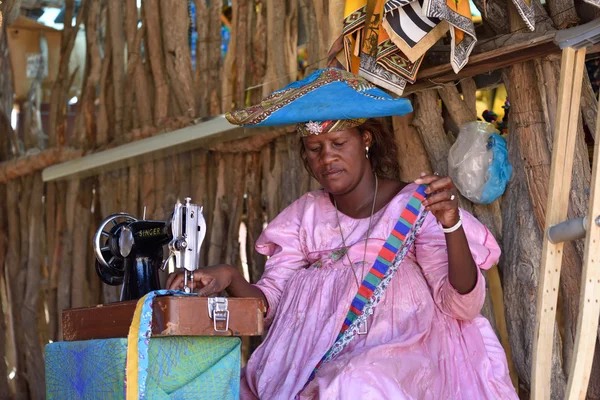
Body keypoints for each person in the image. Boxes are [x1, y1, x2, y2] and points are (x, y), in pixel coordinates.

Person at [166, 68, 518, 399]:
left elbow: (462, 304)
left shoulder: (415, 206)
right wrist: (228, 276)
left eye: (338, 144)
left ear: (365, 139)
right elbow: (266, 307)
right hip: (308, 366)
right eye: (315, 149)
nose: (327, 158)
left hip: (398, 359)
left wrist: (451, 225)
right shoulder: (304, 217)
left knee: (353, 383)